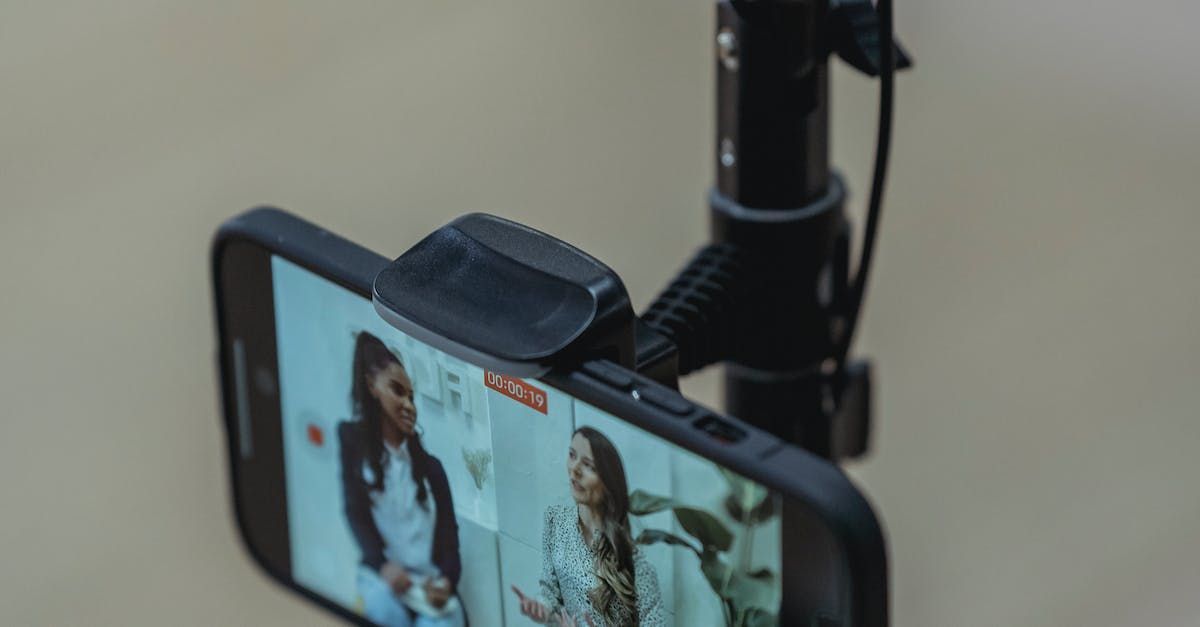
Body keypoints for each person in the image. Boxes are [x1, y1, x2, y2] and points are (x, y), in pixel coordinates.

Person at [339, 331, 467, 627]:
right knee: (384, 610)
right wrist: (383, 566)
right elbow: (355, 511)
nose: (408, 405)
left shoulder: (431, 468)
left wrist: (447, 581)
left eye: (411, 396)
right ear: (372, 387)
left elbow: (450, 538)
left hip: (427, 585)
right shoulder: (353, 441)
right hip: (383, 576)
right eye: (397, 391)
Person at [511, 427, 664, 627]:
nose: (574, 469)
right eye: (572, 455)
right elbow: (550, 591)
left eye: (588, 466)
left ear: (608, 482)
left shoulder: (636, 560)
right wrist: (541, 608)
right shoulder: (555, 520)